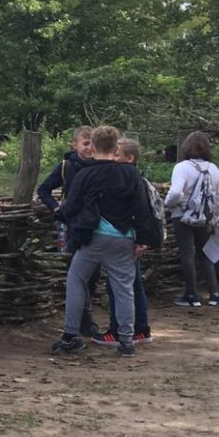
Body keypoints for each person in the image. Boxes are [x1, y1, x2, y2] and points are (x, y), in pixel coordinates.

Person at [52, 126, 163, 357]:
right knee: (124, 288)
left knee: (76, 280)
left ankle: (70, 335)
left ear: (93, 146)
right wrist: (143, 239)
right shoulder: (130, 174)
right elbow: (141, 208)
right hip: (123, 238)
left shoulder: (85, 174)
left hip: (93, 239)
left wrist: (60, 214)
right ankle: (126, 341)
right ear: (115, 147)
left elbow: (71, 207)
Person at [86, 137, 159, 347]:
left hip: (127, 239)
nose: (112, 157)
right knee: (131, 283)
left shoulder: (130, 179)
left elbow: (140, 212)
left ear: (130, 158)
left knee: (119, 286)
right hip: (130, 239)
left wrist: (142, 239)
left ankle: (120, 331)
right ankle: (140, 329)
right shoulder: (128, 177)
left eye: (116, 154)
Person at [36, 126, 101, 335]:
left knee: (94, 275)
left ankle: (84, 318)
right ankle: (82, 322)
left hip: (98, 226)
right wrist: (56, 209)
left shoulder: (102, 166)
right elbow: (44, 189)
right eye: (85, 143)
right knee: (78, 273)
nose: (90, 147)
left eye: (93, 143)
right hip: (74, 226)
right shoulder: (67, 166)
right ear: (74, 145)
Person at [163, 130, 219, 307]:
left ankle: (191, 294)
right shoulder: (213, 169)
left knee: (187, 253)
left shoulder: (182, 167)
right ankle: (215, 294)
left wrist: (168, 205)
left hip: (182, 215)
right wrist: (214, 219)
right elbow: (218, 198)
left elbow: (176, 192)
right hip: (205, 216)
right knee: (205, 253)